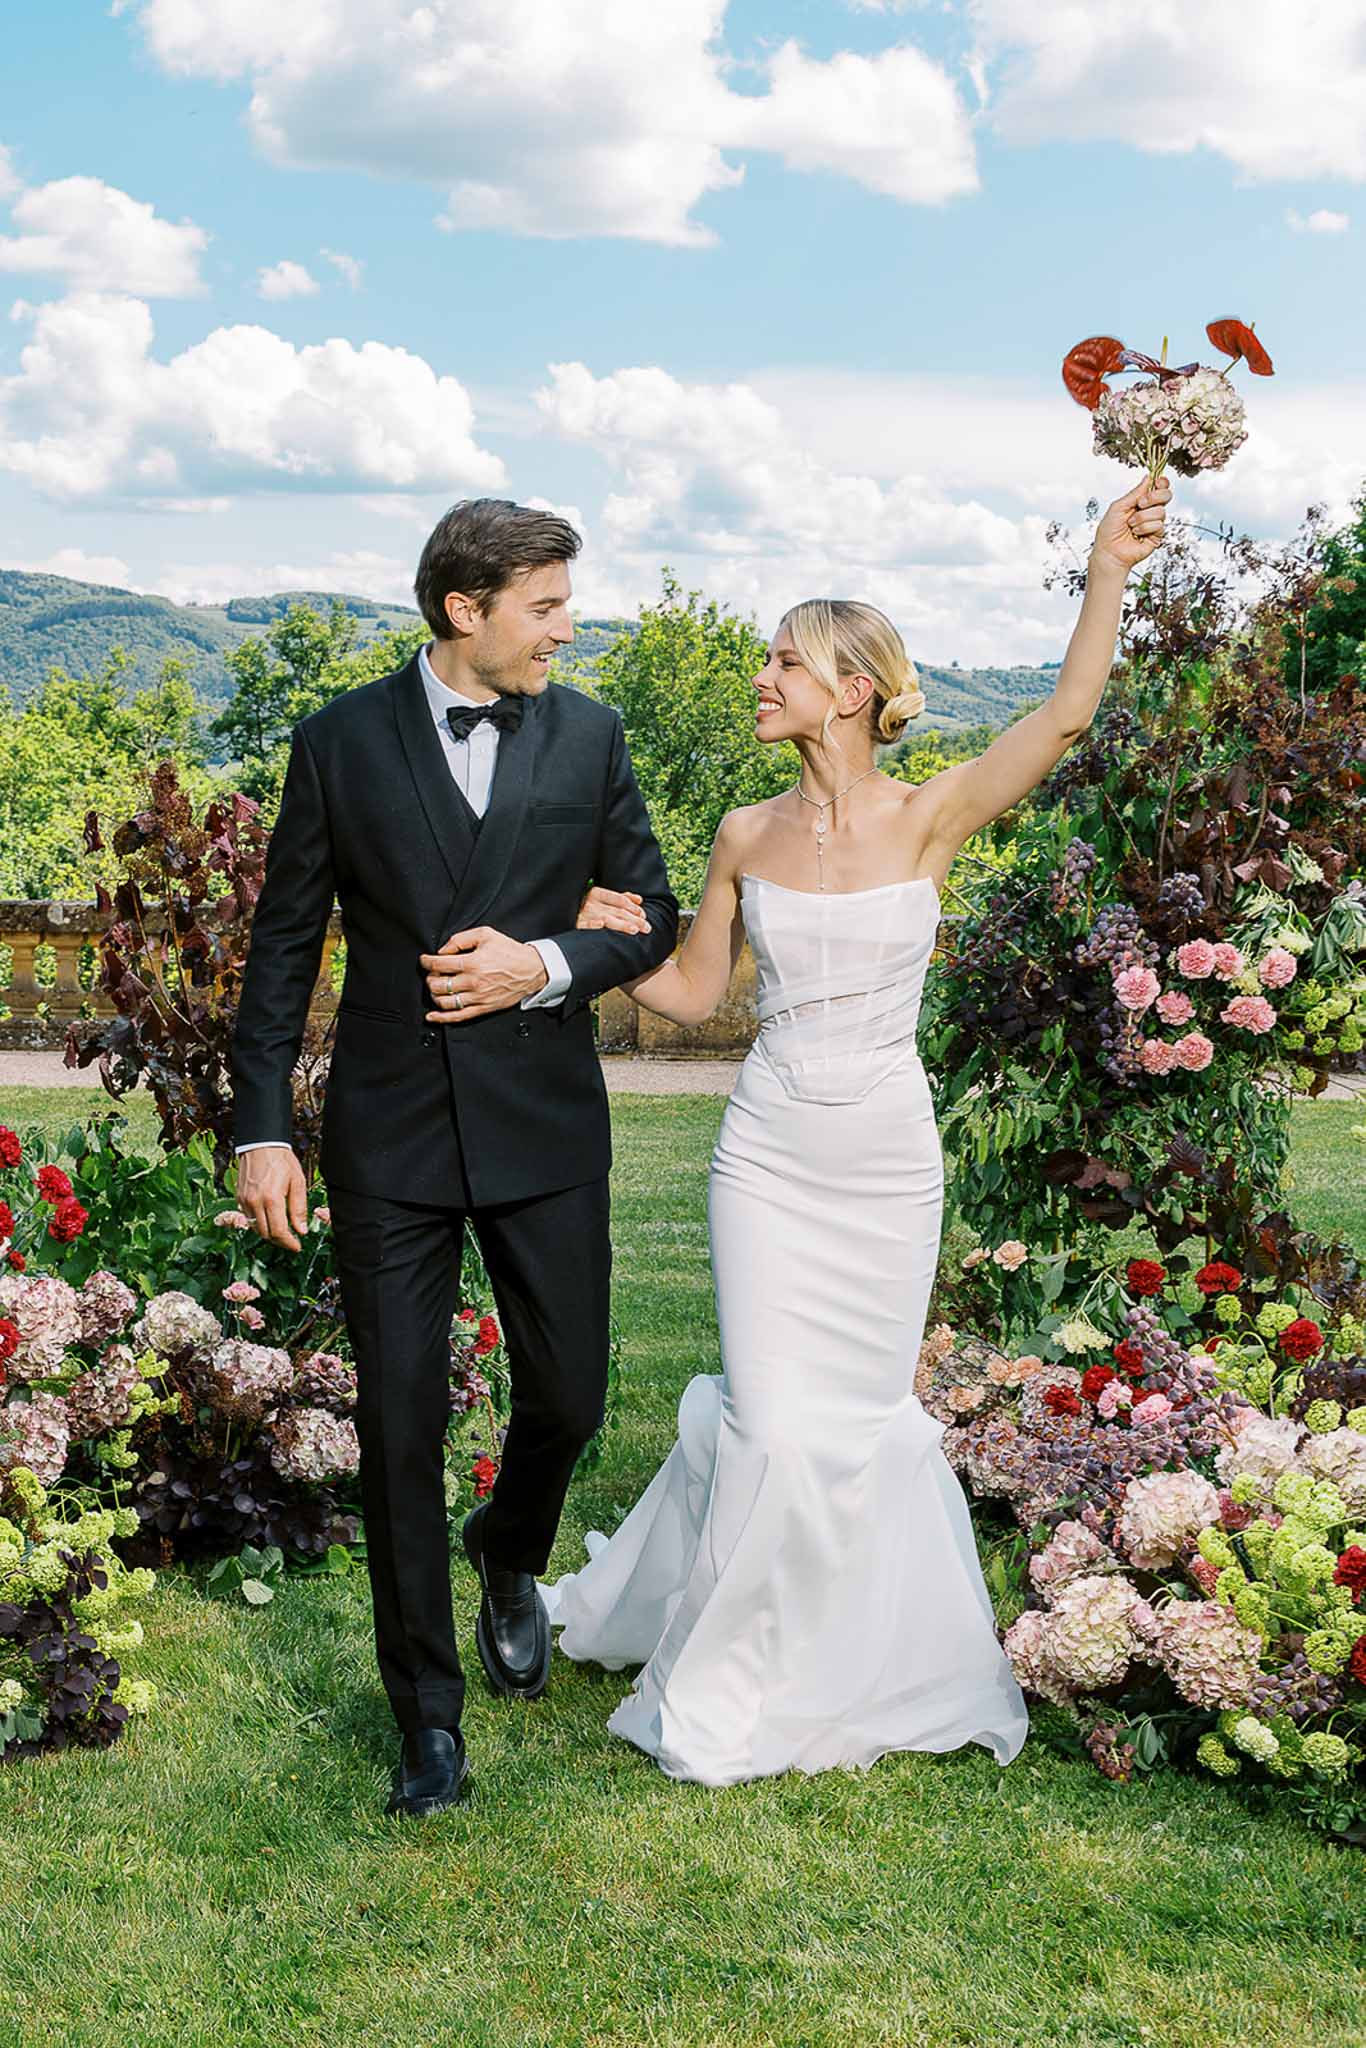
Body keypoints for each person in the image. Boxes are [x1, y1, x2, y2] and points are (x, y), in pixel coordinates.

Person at [425, 473, 1172, 1785]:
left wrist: (1109, 565)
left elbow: (1061, 715)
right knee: (772, 1424)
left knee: (854, 1423)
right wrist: (592, 948)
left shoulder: (927, 814)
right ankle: (736, 1673)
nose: (759, 675)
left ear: (850, 690)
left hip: (885, 1160)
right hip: (767, 1156)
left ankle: (854, 1664)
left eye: (782, 660)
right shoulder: (740, 832)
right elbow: (696, 993)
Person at [231, 498, 679, 1818]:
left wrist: (545, 963)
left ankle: (510, 1545)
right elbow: (280, 946)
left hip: (544, 1124)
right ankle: (426, 1719)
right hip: (390, 1136)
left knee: (571, 1399)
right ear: (462, 608)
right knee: (400, 1426)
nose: (567, 628)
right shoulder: (336, 743)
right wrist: (262, 1124)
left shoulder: (589, 734)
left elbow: (647, 912)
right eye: (546, 605)